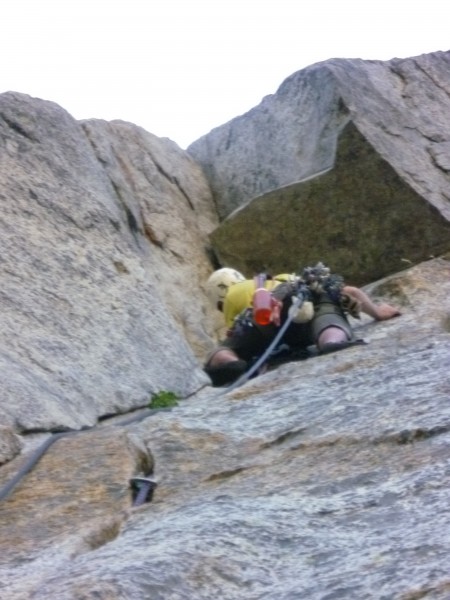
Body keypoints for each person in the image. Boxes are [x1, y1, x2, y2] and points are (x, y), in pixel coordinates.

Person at [204, 264, 400, 386]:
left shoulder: (233, 296)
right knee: (327, 313)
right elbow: (350, 292)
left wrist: (239, 354)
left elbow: (238, 334)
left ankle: (227, 362)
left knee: (228, 347)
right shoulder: (286, 278)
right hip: (307, 310)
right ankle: (330, 340)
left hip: (266, 318)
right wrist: (377, 312)